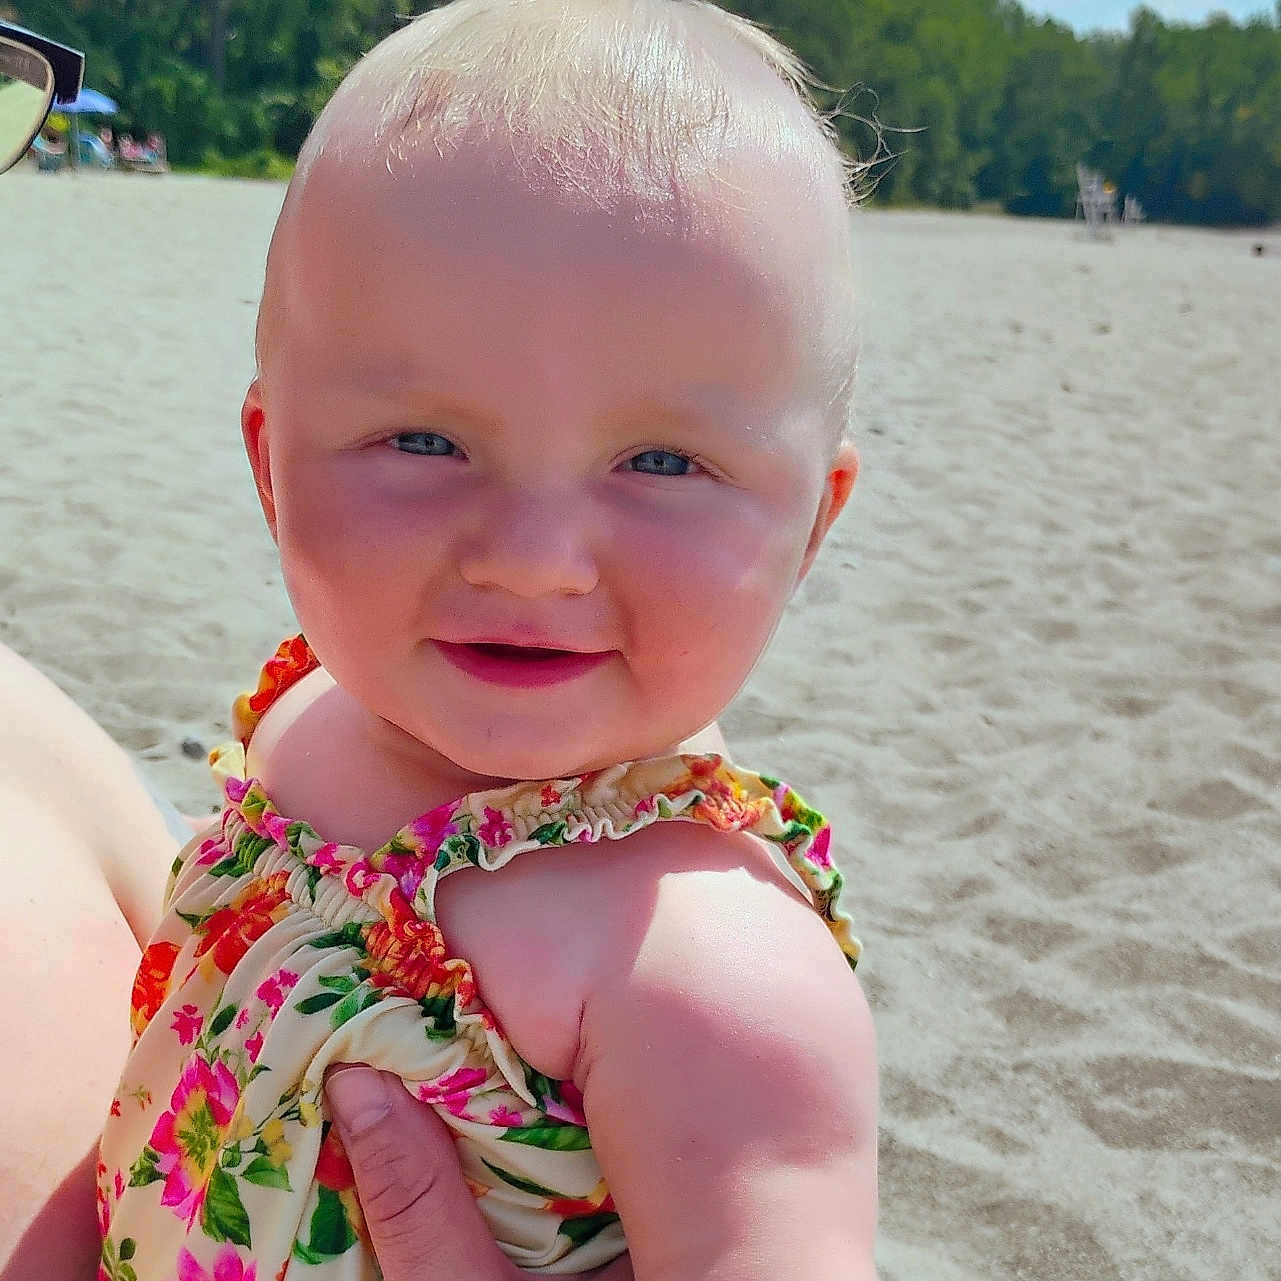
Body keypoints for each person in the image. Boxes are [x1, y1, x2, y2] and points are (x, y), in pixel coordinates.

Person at [91, 1, 877, 1278]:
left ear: (810, 527)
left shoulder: (705, 971)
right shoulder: (305, 718)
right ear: (272, 467)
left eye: (662, 461)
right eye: (424, 441)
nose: (530, 557)